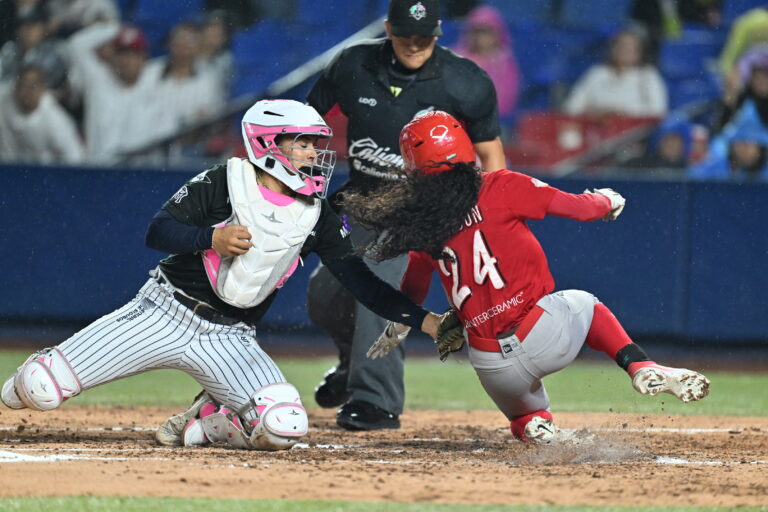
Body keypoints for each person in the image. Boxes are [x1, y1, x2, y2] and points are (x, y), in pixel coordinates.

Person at [0, 99, 452, 451]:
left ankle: (208, 422)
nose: (315, 153)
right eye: (303, 143)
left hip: (228, 337)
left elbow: (361, 281)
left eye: (315, 144)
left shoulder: (316, 214)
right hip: (163, 313)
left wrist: (425, 321)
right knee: (40, 388)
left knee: (285, 424)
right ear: (269, 143)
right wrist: (210, 238)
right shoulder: (226, 180)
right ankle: (26, 382)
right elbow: (158, 231)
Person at [354, 111, 710, 444]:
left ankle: (532, 424)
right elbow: (580, 209)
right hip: (543, 334)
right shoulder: (501, 184)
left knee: (524, 413)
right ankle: (640, 366)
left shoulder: (422, 226)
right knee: (586, 304)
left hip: (492, 364)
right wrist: (606, 200)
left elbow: (413, 290)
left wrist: (399, 325)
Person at [305, 0, 507, 431]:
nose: (414, 44)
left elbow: (491, 155)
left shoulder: (465, 80)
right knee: (324, 295)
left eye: (424, 37)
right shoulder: (353, 64)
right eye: (405, 35)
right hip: (363, 200)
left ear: (438, 32)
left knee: (379, 279)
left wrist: (494, 215)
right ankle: (353, 361)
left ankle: (375, 401)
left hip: (428, 207)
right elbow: (305, 121)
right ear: (387, 28)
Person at [563, 28, 668, 118]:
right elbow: (571, 107)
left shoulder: (648, 75)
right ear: (613, 49)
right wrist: (597, 113)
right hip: (596, 127)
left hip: (634, 130)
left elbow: (658, 111)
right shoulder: (597, 73)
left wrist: (620, 112)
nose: (624, 51)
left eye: (630, 47)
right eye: (621, 45)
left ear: (639, 52)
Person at [0, 64, 84, 164]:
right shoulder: (5, 103)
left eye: (32, 86)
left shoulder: (55, 120)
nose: (27, 92)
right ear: (15, 88)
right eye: (22, 86)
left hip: (47, 170)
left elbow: (74, 157)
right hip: (10, 168)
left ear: (43, 89)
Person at [451, 5, 520, 123]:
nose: (480, 37)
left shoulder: (504, 63)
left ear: (497, 33)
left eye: (486, 32)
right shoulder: (457, 58)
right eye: (476, 31)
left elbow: (508, 97)